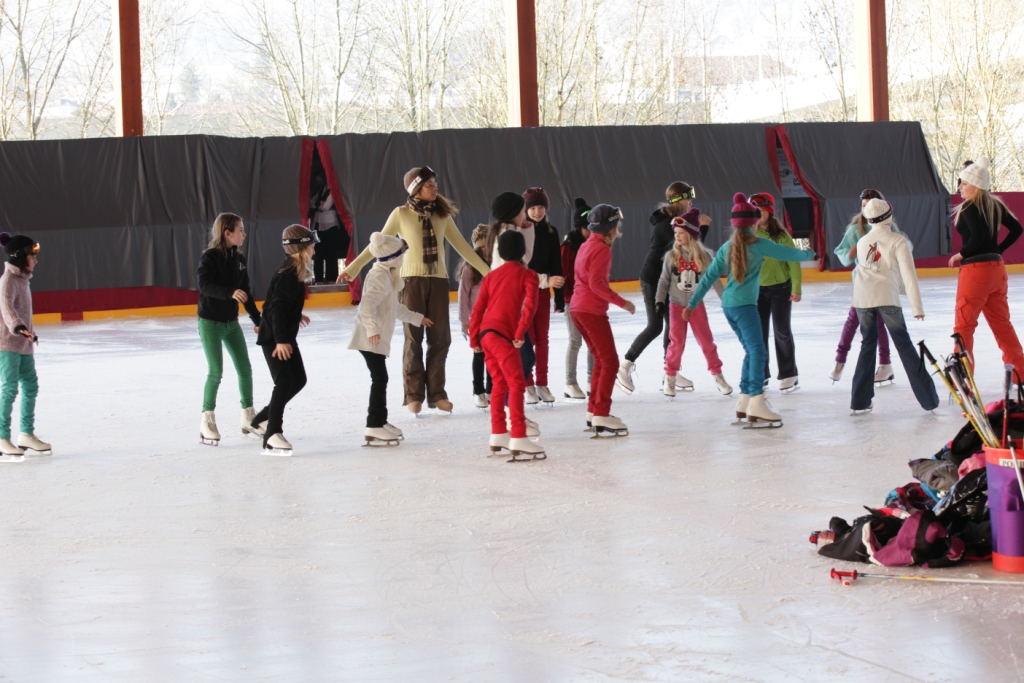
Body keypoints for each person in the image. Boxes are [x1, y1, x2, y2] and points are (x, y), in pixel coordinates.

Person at [339, 166, 489, 414]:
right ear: (416, 189)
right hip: (410, 282)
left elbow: (463, 247)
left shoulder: (442, 215)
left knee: (440, 338)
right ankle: (413, 395)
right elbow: (377, 245)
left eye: (435, 184)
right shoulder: (400, 214)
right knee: (413, 338)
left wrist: (489, 272)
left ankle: (437, 394)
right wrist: (353, 267)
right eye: (429, 185)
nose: (435, 188)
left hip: (438, 282)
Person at [683, 194, 815, 428]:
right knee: (758, 352)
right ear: (753, 223)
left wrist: (692, 304)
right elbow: (789, 254)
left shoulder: (727, 247)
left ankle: (744, 401)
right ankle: (756, 400)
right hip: (745, 307)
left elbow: (709, 277)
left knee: (751, 350)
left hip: (729, 306)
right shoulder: (758, 243)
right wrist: (810, 254)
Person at [619, 182, 710, 395]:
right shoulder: (668, 225)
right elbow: (691, 251)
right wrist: (704, 227)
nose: (691, 201)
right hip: (653, 279)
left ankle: (671, 372)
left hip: (668, 280)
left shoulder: (676, 222)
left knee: (673, 326)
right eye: (688, 197)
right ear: (678, 200)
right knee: (655, 326)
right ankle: (624, 366)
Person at [850, 199, 939, 414]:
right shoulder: (898, 241)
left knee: (867, 345)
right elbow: (908, 275)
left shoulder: (862, 242)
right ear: (889, 217)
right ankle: (929, 400)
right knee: (904, 345)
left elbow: (873, 270)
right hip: (887, 298)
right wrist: (917, 307)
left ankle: (859, 402)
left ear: (869, 220)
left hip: (862, 299)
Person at [349, 233, 432, 445]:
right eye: (401, 255)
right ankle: (374, 425)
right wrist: (372, 330)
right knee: (379, 379)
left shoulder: (388, 275)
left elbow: (394, 308)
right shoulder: (379, 276)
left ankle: (380, 421)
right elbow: (366, 306)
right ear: (393, 258)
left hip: (375, 337)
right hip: (369, 338)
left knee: (380, 379)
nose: (403, 259)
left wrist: (417, 318)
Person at [469, 230, 545, 461]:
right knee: (516, 383)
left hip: (486, 334)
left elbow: (478, 309)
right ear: (523, 251)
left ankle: (499, 433)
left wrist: (474, 339)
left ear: (500, 252)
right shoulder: (528, 274)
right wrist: (520, 332)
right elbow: (530, 307)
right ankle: (519, 435)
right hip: (502, 335)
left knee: (499, 383)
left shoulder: (492, 276)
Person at [949, 157, 1024, 383]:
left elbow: (979, 237)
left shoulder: (969, 207)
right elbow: (1017, 229)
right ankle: (1020, 374)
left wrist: (961, 254)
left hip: (976, 273)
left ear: (975, 185)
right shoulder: (995, 204)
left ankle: (963, 378)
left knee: (964, 326)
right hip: (997, 270)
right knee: (1002, 324)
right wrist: (997, 251)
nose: (960, 188)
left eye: (964, 183)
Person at [196, 213, 263, 446]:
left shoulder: (239, 259)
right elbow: (204, 285)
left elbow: (246, 293)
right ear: (227, 233)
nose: (244, 234)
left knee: (245, 369)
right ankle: (207, 419)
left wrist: (258, 320)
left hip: (231, 324)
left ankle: (248, 416)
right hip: (210, 323)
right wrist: (228, 292)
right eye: (240, 230)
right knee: (216, 372)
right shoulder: (209, 258)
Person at [571, 204, 637, 436]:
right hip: (590, 311)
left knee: (601, 360)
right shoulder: (601, 249)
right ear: (611, 227)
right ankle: (601, 412)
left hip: (578, 309)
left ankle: (594, 411)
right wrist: (623, 302)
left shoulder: (586, 245)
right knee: (610, 362)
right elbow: (596, 284)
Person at [252, 225, 314, 456]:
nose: (314, 250)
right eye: (312, 246)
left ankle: (262, 419)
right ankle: (272, 433)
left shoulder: (293, 271)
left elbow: (281, 304)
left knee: (298, 379)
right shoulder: (287, 274)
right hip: (275, 338)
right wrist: (280, 340)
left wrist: (296, 315)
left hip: (284, 335)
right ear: (301, 248)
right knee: (284, 382)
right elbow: (275, 308)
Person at [655, 210, 731, 397]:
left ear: (691, 234)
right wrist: (659, 301)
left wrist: (726, 300)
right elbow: (663, 281)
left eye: (681, 232)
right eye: (675, 233)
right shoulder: (671, 257)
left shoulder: (704, 256)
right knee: (676, 342)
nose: (677, 236)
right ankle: (670, 377)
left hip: (696, 306)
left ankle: (718, 376)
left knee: (706, 341)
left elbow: (714, 280)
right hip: (676, 305)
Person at [829, 189, 895, 385]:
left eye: (871, 205)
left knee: (879, 323)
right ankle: (841, 360)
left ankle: (885, 364)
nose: (867, 209)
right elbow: (842, 252)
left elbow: (902, 249)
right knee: (853, 321)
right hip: (863, 285)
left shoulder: (889, 228)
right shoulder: (856, 230)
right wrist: (850, 252)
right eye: (864, 206)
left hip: (882, 284)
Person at [0, 233, 50, 460]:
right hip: (7, 343)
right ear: (19, 257)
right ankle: (2, 437)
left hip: (24, 344)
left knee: (30, 386)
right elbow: (7, 309)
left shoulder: (22, 280)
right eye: (32, 256)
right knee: (9, 389)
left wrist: (29, 332)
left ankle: (26, 434)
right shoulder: (8, 281)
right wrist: (19, 328)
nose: (36, 261)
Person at [486, 192, 538, 403]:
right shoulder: (507, 235)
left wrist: (527, 230)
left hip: (503, 307)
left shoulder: (504, 231)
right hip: (507, 309)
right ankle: (508, 406)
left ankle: (508, 406)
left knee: (522, 358)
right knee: (524, 358)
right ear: (514, 212)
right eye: (523, 210)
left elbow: (523, 260)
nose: (525, 214)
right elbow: (522, 264)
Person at [751, 192, 803, 394]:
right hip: (757, 291)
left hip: (781, 289)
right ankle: (761, 374)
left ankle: (789, 373)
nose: (756, 215)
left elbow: (794, 261)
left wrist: (796, 287)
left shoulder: (781, 236)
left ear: (769, 212)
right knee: (759, 333)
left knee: (782, 331)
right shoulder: (749, 236)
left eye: (760, 211)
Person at [523, 187, 565, 405]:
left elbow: (556, 264)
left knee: (542, 339)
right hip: (523, 294)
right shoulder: (520, 231)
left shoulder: (551, 232)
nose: (537, 212)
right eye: (532, 208)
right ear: (526, 209)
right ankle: (528, 384)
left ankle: (542, 383)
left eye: (540, 207)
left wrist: (559, 297)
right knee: (527, 338)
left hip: (542, 293)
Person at [561, 198, 594, 400]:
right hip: (572, 301)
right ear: (579, 227)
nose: (591, 231)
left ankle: (592, 380)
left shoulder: (593, 244)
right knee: (575, 341)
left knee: (592, 341)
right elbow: (565, 276)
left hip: (589, 300)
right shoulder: (568, 248)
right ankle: (570, 382)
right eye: (587, 228)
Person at [458, 225, 492, 409]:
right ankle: (478, 391)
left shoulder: (497, 264)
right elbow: (463, 296)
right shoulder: (470, 268)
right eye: (482, 246)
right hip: (477, 320)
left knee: (493, 355)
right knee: (479, 354)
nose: (485, 249)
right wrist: (465, 321)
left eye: (488, 244)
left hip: (494, 319)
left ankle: (490, 389)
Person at [309, 172, 350, 285]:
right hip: (318, 224)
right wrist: (319, 203)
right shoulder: (318, 191)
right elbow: (311, 204)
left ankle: (331, 278)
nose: (319, 182)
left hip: (330, 224)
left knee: (331, 253)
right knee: (318, 253)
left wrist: (317, 203)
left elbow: (326, 206)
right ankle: (319, 279)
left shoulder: (332, 191)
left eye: (320, 180)